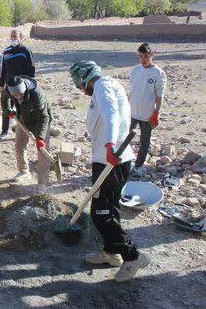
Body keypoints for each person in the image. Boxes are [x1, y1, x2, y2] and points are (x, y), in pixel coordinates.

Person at [70, 61, 150, 282]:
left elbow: (111, 114)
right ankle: (111, 253)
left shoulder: (103, 86)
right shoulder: (107, 86)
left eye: (78, 84)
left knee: (101, 213)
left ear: (84, 79)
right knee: (109, 208)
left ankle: (133, 256)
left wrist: (109, 145)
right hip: (110, 159)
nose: (79, 89)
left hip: (111, 160)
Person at [6, 75, 52, 187]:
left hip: (39, 118)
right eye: (15, 95)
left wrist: (40, 138)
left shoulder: (36, 93)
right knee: (19, 144)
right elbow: (4, 99)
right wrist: (8, 110)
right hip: (23, 115)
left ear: (24, 89)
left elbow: (44, 117)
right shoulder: (9, 89)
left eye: (20, 94)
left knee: (42, 150)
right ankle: (24, 171)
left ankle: (43, 182)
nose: (18, 97)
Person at [129, 43, 167, 177]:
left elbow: (159, 95)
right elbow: (132, 91)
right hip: (132, 112)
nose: (143, 59)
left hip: (147, 114)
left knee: (144, 141)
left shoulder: (159, 73)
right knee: (125, 138)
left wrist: (156, 113)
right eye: (140, 56)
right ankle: (123, 164)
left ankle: (138, 166)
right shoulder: (135, 70)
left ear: (152, 55)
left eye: (145, 56)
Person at [0, 29, 35, 139]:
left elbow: (31, 68)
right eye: (12, 36)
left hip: (22, 86)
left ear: (20, 38)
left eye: (15, 36)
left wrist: (30, 85)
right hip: (8, 85)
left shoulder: (26, 51)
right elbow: (2, 69)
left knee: (22, 108)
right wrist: (1, 84)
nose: (13, 38)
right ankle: (4, 131)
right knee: (5, 107)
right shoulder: (6, 52)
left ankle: (24, 131)